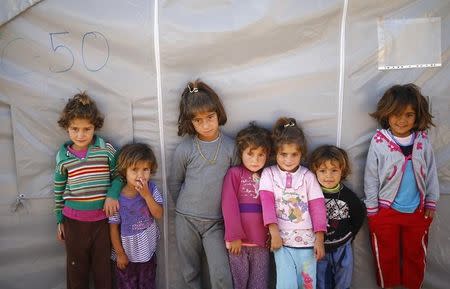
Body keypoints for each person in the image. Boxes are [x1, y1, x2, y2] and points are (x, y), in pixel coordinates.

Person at [364, 83, 439, 289]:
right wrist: (372, 209)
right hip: (385, 211)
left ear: (417, 116)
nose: (402, 120)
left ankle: (413, 286)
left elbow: (431, 172)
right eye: (396, 114)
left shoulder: (422, 140)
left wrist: (431, 202)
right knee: (386, 254)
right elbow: (371, 176)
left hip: (417, 211)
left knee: (415, 254)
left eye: (409, 114)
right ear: (387, 113)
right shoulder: (379, 141)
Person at [169, 80, 238, 289]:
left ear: (218, 113)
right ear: (191, 122)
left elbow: (236, 185)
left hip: (216, 223)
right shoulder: (185, 149)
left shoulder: (230, 147)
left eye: (210, 117)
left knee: (221, 274)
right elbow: (174, 182)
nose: (206, 124)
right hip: (186, 219)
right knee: (190, 272)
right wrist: (184, 209)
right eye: (198, 120)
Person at [54, 92, 119, 289]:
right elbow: (58, 190)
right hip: (73, 222)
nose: (81, 135)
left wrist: (112, 194)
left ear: (95, 127)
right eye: (75, 129)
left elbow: (119, 175)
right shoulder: (63, 156)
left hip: (102, 222)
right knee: (76, 272)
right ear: (67, 127)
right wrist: (59, 220)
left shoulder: (105, 149)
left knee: (103, 271)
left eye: (86, 129)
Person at [259, 117, 327, 289]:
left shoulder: (307, 176)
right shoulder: (269, 174)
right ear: (275, 153)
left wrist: (319, 239)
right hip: (282, 242)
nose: (288, 160)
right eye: (283, 154)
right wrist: (274, 233)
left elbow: (318, 207)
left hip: (308, 243)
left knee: (307, 284)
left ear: (301, 154)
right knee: (286, 284)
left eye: (294, 154)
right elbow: (266, 204)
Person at [221, 122, 272, 289]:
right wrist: (234, 236)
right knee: (238, 283)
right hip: (239, 244)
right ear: (241, 152)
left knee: (259, 283)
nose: (255, 160)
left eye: (260, 155)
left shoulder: (269, 175)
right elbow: (229, 205)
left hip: (261, 243)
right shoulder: (234, 174)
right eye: (250, 154)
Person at [309, 145, 365, 289]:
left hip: (342, 245)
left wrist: (349, 235)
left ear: (342, 171)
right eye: (322, 171)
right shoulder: (311, 194)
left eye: (334, 170)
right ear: (315, 171)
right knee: (321, 280)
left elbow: (358, 215)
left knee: (343, 277)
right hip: (320, 247)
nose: (328, 176)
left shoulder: (348, 196)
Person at [109, 143, 163, 289]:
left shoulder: (151, 189)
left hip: (147, 254)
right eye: (134, 170)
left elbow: (159, 214)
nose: (140, 175)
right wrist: (120, 254)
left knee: (147, 284)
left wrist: (146, 196)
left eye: (145, 169)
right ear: (124, 171)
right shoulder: (117, 198)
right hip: (126, 256)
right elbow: (113, 228)